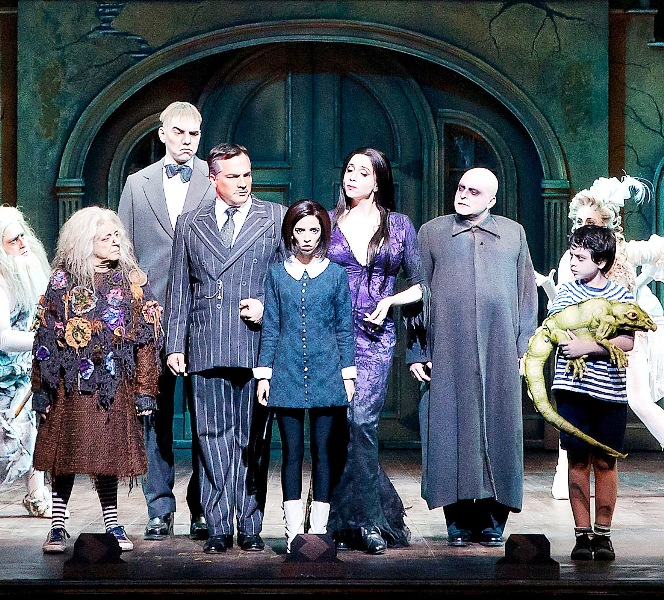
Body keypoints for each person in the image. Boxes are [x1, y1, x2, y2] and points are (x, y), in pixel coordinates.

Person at [165, 143, 286, 554]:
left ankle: (250, 525)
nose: (243, 182)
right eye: (233, 176)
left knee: (253, 439)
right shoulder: (190, 222)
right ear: (213, 178)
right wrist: (174, 344)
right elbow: (180, 288)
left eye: (247, 174)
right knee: (211, 437)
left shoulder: (274, 217)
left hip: (257, 346)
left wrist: (267, 308)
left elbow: (289, 279)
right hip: (206, 342)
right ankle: (218, 526)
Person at [408, 167, 538, 547]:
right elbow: (418, 293)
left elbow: (526, 295)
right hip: (449, 348)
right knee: (450, 427)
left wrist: (524, 349)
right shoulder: (432, 232)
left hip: (501, 348)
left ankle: (495, 517)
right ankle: (458, 518)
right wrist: (417, 351)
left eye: (474, 191)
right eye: (461, 188)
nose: (463, 195)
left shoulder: (513, 233)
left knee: (501, 426)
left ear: (492, 200)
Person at [31, 206, 163, 554]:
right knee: (65, 454)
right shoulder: (62, 281)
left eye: (117, 235)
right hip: (69, 384)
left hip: (112, 385)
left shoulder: (131, 280)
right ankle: (57, 524)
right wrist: (41, 390)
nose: (116, 241)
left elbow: (146, 337)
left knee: (107, 454)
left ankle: (112, 522)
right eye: (106, 237)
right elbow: (44, 337)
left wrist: (146, 389)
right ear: (86, 242)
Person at [118, 101, 216, 541]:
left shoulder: (213, 181)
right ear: (162, 134)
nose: (186, 141)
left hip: (202, 315)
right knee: (153, 414)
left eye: (193, 134)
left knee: (204, 416)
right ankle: (159, 507)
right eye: (178, 132)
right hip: (151, 317)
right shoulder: (136, 185)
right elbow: (123, 250)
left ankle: (202, 506)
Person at [537, 176, 664, 500]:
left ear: (606, 224)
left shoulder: (623, 252)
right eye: (579, 222)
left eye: (590, 222)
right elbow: (563, 303)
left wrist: (645, 280)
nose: (584, 227)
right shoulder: (572, 259)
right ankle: (565, 477)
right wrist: (549, 287)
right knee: (574, 403)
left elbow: (654, 255)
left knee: (639, 401)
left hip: (623, 342)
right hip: (582, 341)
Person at [326, 147, 423, 555]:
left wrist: (390, 301)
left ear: (378, 180)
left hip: (374, 337)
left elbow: (421, 284)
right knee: (339, 428)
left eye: (362, 172)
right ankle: (363, 514)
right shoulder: (327, 221)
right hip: (331, 335)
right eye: (349, 169)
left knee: (361, 421)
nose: (352, 177)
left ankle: (367, 522)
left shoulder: (398, 225)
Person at [254, 199, 356, 551]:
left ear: (323, 232)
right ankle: (294, 533)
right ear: (291, 233)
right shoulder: (277, 274)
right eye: (300, 230)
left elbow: (344, 328)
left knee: (324, 452)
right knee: (292, 453)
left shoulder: (336, 275)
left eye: (314, 230)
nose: (308, 237)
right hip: (287, 373)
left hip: (328, 372)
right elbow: (271, 327)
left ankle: (319, 530)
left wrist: (348, 375)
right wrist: (264, 375)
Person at [548, 224, 636, 561]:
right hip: (573, 391)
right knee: (578, 460)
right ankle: (582, 534)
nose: (572, 262)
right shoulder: (566, 294)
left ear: (600, 261)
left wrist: (590, 345)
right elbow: (556, 331)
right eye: (572, 255)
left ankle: (603, 535)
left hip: (610, 392)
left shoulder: (621, 296)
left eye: (580, 257)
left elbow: (626, 340)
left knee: (605, 461)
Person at [0, 206, 52, 517]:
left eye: (22, 236)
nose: (22, 244)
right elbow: (3, 338)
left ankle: (36, 494)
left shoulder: (28, 272)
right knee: (10, 440)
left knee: (35, 429)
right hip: (3, 376)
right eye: (12, 241)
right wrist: (43, 342)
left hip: (25, 372)